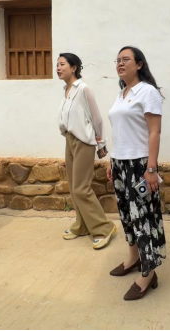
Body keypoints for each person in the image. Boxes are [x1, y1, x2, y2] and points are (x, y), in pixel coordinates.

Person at [106, 46, 166, 301]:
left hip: (140, 164)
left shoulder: (147, 92)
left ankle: (148, 272)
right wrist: (112, 160)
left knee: (143, 217)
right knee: (126, 214)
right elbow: (120, 131)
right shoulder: (121, 94)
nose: (120, 63)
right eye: (118, 60)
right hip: (120, 163)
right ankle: (133, 258)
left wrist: (151, 169)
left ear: (139, 64)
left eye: (126, 59)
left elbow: (154, 132)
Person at [56, 53, 116, 249]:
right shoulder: (66, 90)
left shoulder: (83, 89)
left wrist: (101, 144)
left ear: (74, 67)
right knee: (74, 186)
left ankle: (104, 228)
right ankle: (81, 225)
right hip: (70, 139)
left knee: (81, 188)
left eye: (62, 64)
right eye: (57, 65)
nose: (58, 68)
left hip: (84, 141)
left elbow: (96, 118)